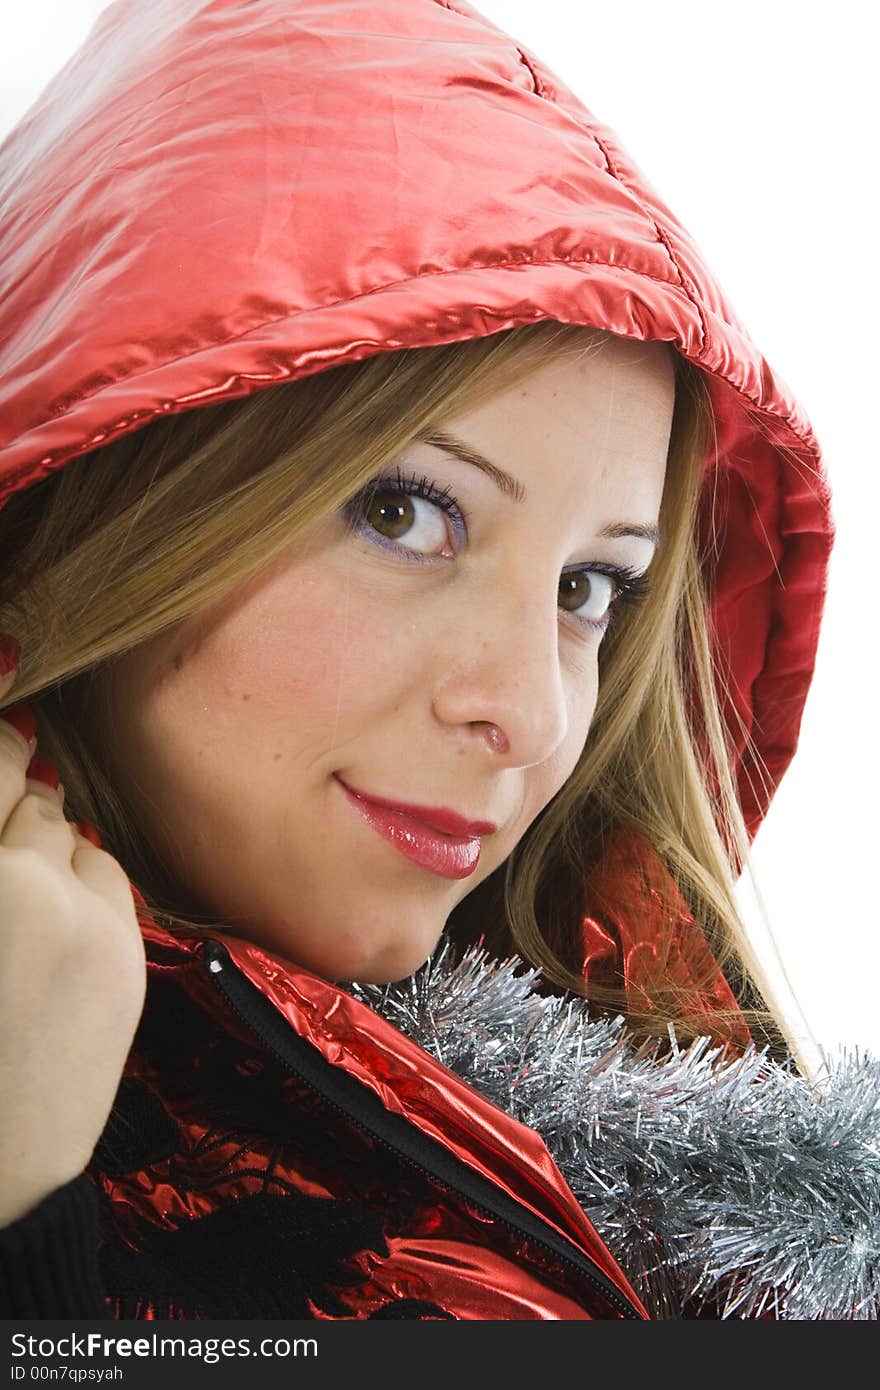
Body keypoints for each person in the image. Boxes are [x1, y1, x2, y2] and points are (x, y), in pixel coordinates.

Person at [1, 0, 869, 1323]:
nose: (527, 714)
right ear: (116, 483)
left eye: (592, 587)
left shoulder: (682, 1143)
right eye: (406, 513)